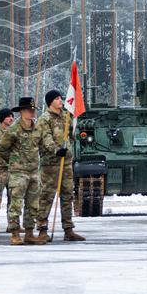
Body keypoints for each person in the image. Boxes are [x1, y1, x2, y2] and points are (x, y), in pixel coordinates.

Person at [36, 90, 84, 241]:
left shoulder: (65, 116)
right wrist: (57, 151)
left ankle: (68, 229)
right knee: (47, 196)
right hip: (51, 164)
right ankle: (42, 229)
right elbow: (46, 138)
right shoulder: (44, 119)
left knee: (67, 195)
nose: (60, 100)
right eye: (57, 98)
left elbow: (71, 136)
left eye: (61, 98)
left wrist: (74, 128)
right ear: (50, 101)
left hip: (66, 162)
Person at [0, 97, 44, 246]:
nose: (32, 113)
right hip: (18, 172)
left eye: (33, 110)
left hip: (33, 172)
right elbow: (2, 149)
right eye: (29, 110)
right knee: (16, 204)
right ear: (22, 111)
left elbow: (41, 146)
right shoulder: (13, 130)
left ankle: (29, 233)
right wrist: (14, 161)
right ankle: (15, 233)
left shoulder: (37, 128)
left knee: (33, 204)